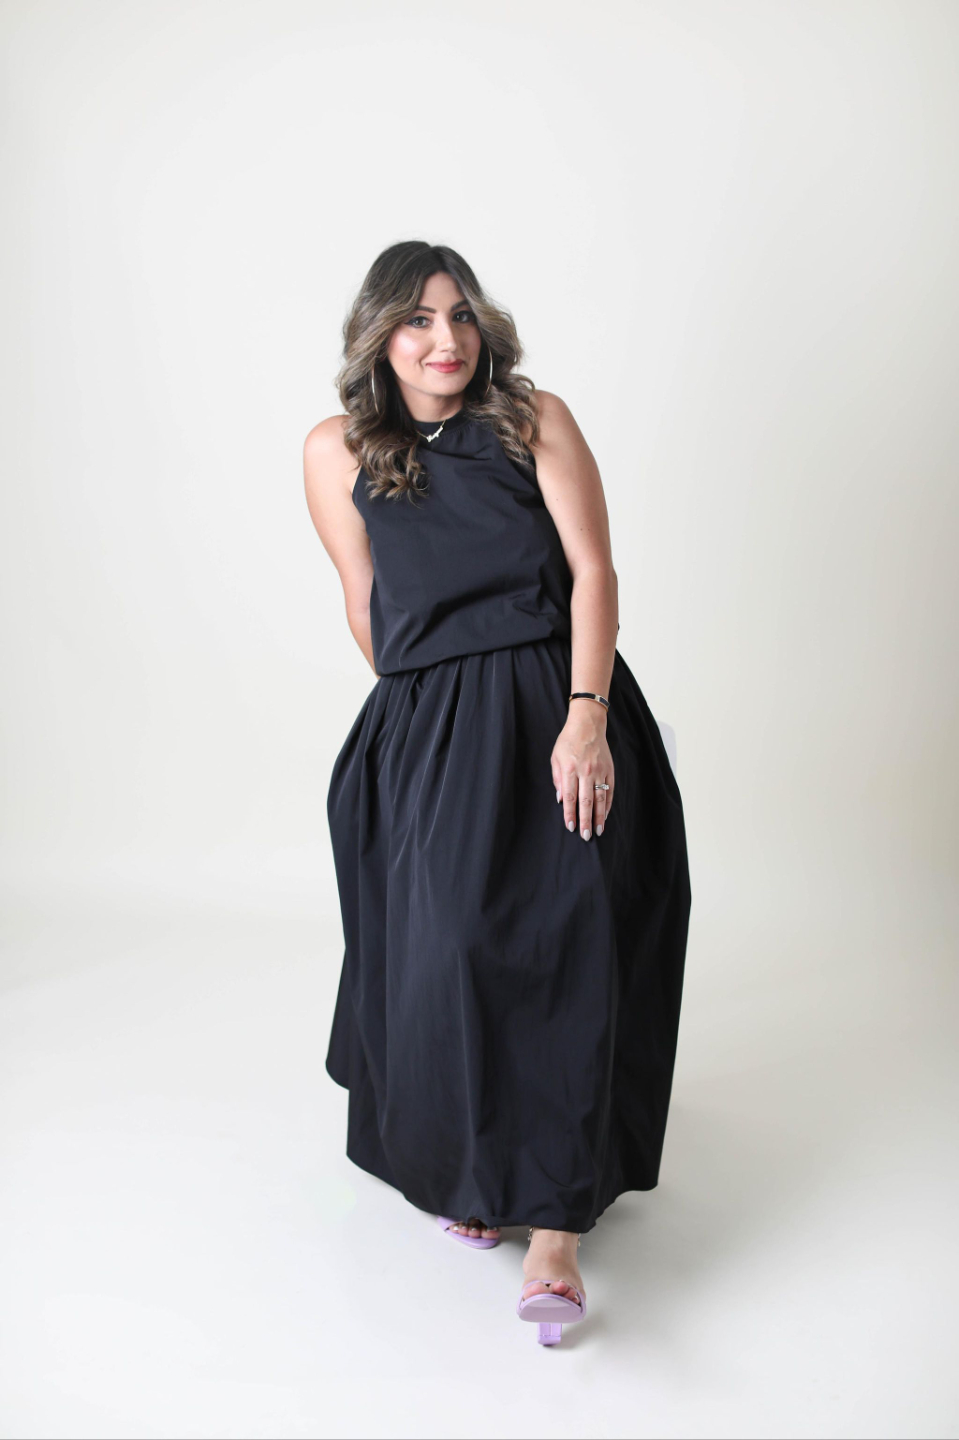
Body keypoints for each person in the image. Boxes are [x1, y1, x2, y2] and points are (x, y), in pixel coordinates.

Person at [303, 240, 691, 1345]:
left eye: (461, 315)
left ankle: (555, 1233)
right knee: (447, 950)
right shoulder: (337, 448)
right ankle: (473, 1163)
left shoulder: (531, 418)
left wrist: (585, 715)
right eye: (419, 319)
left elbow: (593, 571)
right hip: (428, 725)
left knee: (568, 945)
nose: (446, 338)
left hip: (557, 703)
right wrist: (422, 720)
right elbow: (365, 604)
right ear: (379, 335)